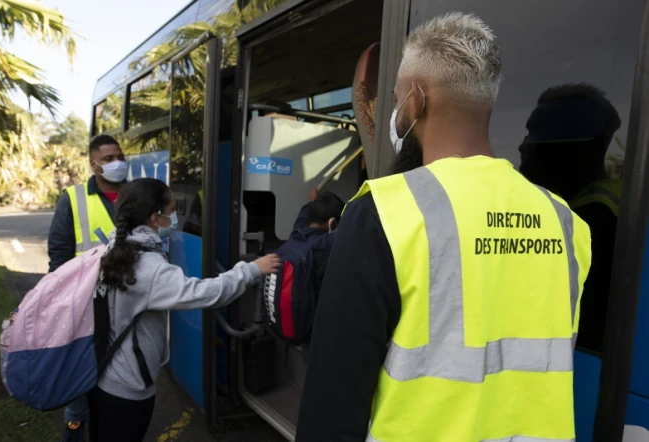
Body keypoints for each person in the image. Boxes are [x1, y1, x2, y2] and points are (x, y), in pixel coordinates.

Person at [296, 12, 592, 442]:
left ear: (415, 100)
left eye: (396, 97)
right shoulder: (566, 221)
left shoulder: (385, 212)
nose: (396, 108)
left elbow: (335, 395)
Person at [89, 178, 280, 442]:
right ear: (155, 218)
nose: (176, 217)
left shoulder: (115, 247)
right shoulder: (146, 267)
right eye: (172, 210)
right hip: (128, 388)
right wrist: (251, 270)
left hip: (106, 376)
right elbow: (203, 293)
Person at [519, 83, 622, 353]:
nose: (522, 147)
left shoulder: (587, 223)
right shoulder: (615, 199)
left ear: (565, 149)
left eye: (535, 137)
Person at [48, 134, 127, 442]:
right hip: (84, 306)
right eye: (108, 159)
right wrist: (62, 304)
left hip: (125, 306)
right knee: (79, 391)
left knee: (116, 384)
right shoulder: (73, 197)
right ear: (94, 163)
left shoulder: (135, 195)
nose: (116, 163)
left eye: (120, 157)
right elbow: (59, 254)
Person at [290, 188, 344, 366]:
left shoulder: (297, 234)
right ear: (332, 223)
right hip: (320, 327)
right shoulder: (326, 245)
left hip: (304, 323)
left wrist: (312, 202)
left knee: (309, 366)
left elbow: (303, 216)